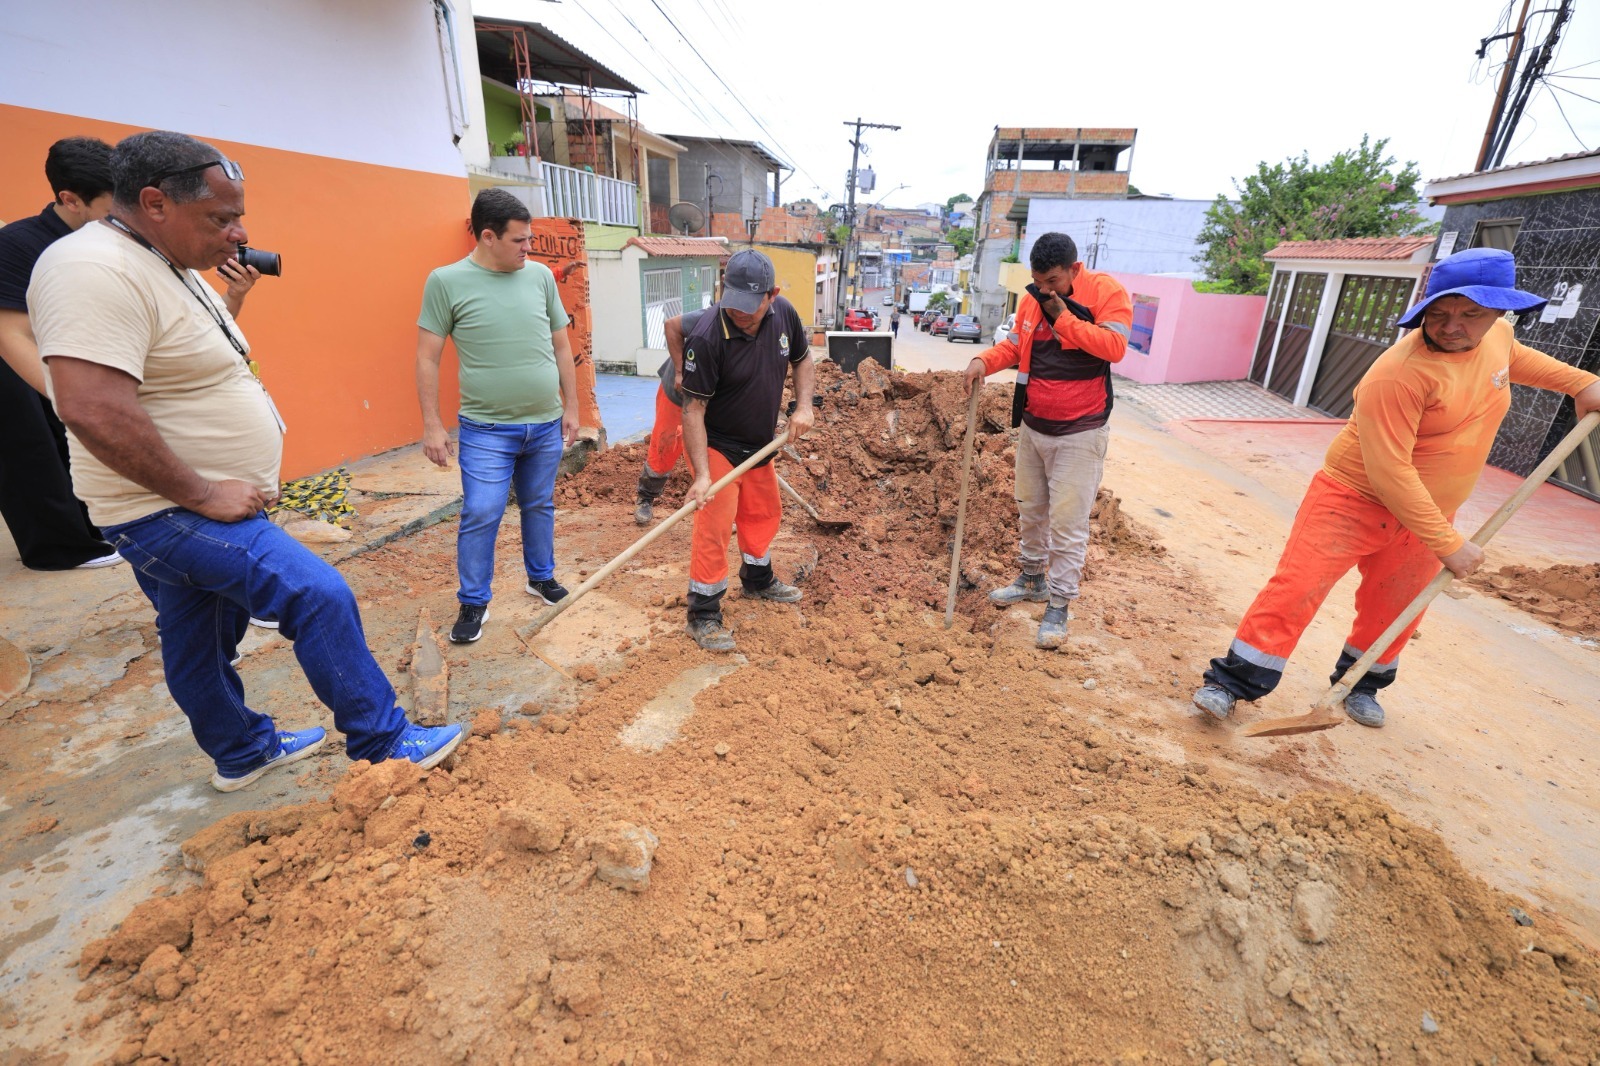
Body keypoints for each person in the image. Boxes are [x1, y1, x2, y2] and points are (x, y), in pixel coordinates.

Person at [30, 130, 462, 791]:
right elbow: (91, 408)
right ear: (154, 203)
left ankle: (242, 752)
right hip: (164, 507)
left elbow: (190, 368)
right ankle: (384, 743)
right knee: (316, 595)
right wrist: (202, 492)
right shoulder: (92, 270)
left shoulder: (162, 261)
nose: (237, 232)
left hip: (185, 499)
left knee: (197, 640)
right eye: (221, 217)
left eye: (239, 215)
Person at [1193, 247, 1600, 729]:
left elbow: (1513, 359)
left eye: (1471, 314)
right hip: (1353, 500)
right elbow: (1390, 472)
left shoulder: (1499, 340)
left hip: (1428, 512)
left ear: (1498, 313)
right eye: (1440, 312)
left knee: (1396, 606)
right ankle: (1231, 683)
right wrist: (1448, 543)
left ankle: (1359, 685)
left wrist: (1582, 383)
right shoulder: (1398, 374)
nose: (1452, 325)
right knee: (1297, 588)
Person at [416, 188, 578, 645]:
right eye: (519, 241)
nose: (529, 248)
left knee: (539, 504)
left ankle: (540, 577)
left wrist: (572, 407)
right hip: (486, 429)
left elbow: (561, 344)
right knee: (482, 511)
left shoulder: (541, 277)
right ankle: (473, 600)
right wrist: (432, 426)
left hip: (545, 424)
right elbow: (427, 357)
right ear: (488, 236)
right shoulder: (446, 281)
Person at [963, 232, 1132, 649]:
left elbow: (1114, 347)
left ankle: (1058, 604)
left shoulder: (1108, 293)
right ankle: (1032, 578)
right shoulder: (1033, 299)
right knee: (1031, 508)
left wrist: (1063, 318)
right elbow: (1017, 346)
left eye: (1053, 281)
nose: (1045, 290)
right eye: (1039, 282)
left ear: (1074, 270)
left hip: (1081, 431)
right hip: (1035, 426)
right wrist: (984, 360)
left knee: (1068, 523)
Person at [680, 249, 815, 652]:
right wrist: (703, 475)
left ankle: (757, 580)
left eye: (748, 308)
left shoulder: (785, 314)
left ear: (771, 295)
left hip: (759, 443)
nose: (738, 314)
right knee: (715, 525)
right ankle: (703, 613)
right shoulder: (706, 336)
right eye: (732, 304)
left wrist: (804, 406)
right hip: (716, 443)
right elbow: (693, 410)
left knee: (763, 513)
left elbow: (803, 361)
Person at [0, 138, 123, 571]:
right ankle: (58, 549)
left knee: (74, 446)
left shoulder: (108, 240)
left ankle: (95, 531)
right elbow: (10, 332)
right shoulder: (16, 243)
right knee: (31, 450)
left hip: (61, 353)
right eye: (113, 206)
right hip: (11, 357)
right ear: (69, 199)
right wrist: (66, 394)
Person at [633, 307, 707, 525]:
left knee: (712, 451)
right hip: (678, 393)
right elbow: (671, 326)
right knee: (665, 443)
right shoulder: (708, 318)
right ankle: (646, 498)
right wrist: (679, 371)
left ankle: (714, 504)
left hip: (712, 398)